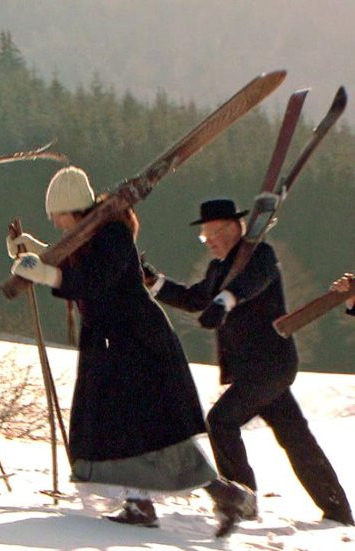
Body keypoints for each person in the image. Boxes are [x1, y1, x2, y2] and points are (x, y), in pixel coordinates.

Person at [7, 169, 255, 536]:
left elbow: (96, 281)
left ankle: (224, 494)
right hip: (111, 345)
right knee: (116, 428)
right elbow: (72, 263)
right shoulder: (86, 235)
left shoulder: (112, 233)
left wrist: (47, 274)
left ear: (74, 208)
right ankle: (142, 501)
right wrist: (34, 252)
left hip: (138, 344)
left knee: (149, 431)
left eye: (58, 214)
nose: (56, 222)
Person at [146, 197, 353, 526]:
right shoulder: (218, 268)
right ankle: (338, 509)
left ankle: (241, 499)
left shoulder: (261, 256)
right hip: (255, 372)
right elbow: (195, 299)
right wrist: (155, 283)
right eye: (204, 236)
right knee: (296, 437)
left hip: (270, 366)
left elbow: (250, 283)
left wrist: (224, 301)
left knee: (221, 421)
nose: (209, 240)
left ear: (234, 228)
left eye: (213, 233)